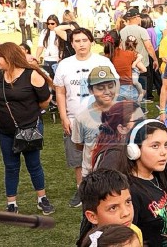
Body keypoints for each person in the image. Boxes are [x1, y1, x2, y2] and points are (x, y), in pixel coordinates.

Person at [54, 28, 118, 208]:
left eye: (84, 40)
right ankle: (82, 190)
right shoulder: (64, 64)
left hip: (100, 118)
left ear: (91, 41)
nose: (81, 44)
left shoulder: (102, 62)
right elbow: (60, 91)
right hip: (74, 118)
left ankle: (105, 189)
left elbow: (113, 88)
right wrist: (63, 116)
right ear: (71, 43)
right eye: (77, 41)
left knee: (103, 154)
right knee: (77, 157)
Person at [0, 42, 54, 215]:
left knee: (34, 164)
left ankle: (42, 199)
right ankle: (11, 203)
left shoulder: (32, 75)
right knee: (10, 166)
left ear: (9, 57)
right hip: (5, 130)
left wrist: (30, 114)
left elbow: (45, 100)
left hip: (29, 128)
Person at [124, 119, 167, 246]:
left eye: (166, 145)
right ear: (134, 150)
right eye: (155, 146)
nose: (163, 152)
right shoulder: (130, 191)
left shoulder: (162, 178)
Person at [73, 66, 119, 179]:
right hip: (92, 175)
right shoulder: (82, 117)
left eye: (110, 86)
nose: (107, 92)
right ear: (90, 90)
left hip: (120, 173)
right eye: (100, 88)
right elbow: (79, 145)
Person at [78, 169, 143, 247]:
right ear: (92, 216)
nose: (126, 213)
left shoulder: (135, 231)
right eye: (113, 208)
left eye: (128, 202)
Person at [120, 9, 159, 102]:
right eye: (139, 17)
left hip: (128, 62)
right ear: (136, 17)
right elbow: (149, 46)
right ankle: (144, 98)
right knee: (143, 82)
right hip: (142, 63)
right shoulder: (142, 30)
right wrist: (155, 59)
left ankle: (134, 99)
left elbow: (121, 47)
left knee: (132, 83)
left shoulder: (122, 31)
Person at [35, 15, 60, 79]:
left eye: (52, 23)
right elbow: (40, 46)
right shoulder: (44, 32)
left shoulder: (60, 32)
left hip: (57, 60)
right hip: (47, 60)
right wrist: (37, 57)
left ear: (57, 23)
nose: (50, 25)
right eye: (48, 23)